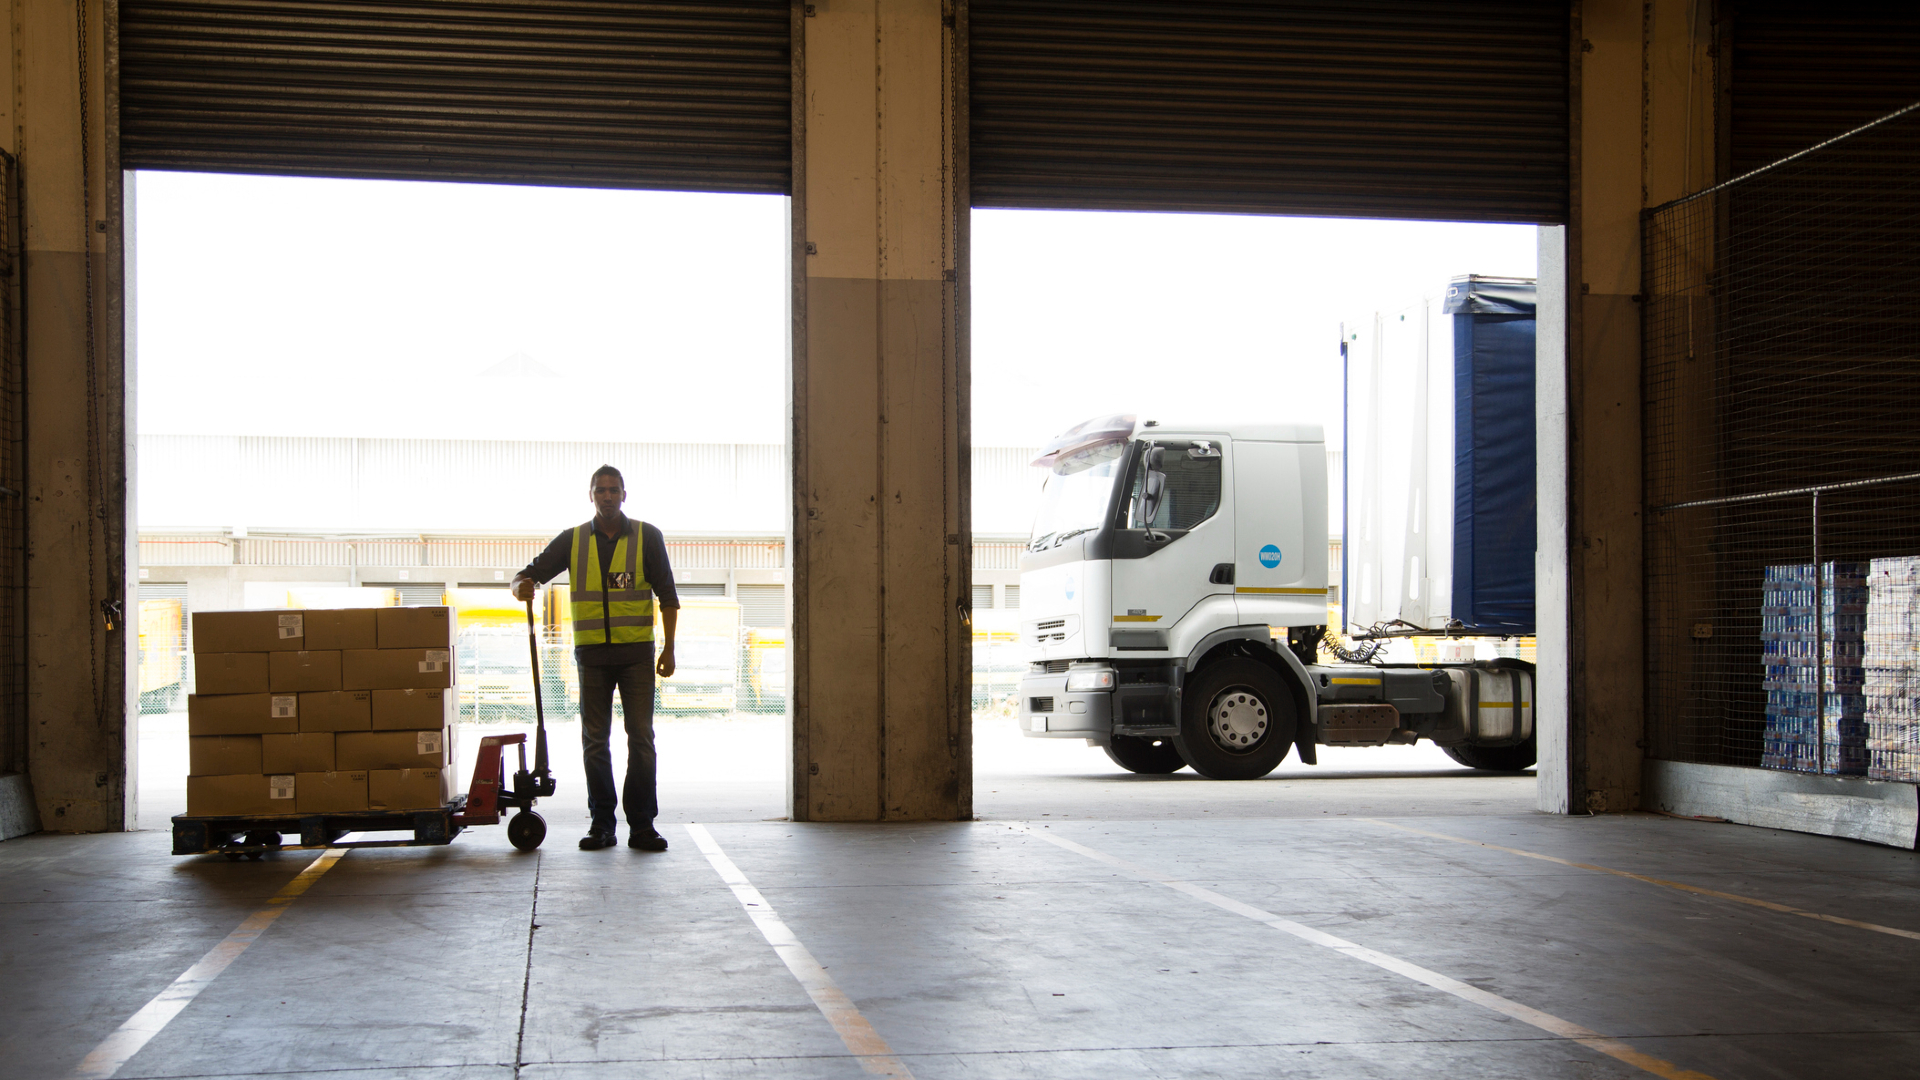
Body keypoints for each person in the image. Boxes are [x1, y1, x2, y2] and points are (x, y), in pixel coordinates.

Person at [511, 465, 678, 851]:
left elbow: (667, 595)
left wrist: (669, 648)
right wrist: (519, 585)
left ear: (624, 494)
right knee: (594, 741)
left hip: (637, 655)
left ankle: (642, 826)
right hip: (593, 657)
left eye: (613, 489)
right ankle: (602, 824)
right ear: (591, 495)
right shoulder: (572, 540)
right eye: (600, 490)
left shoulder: (647, 537)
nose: (607, 495)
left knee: (641, 739)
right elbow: (528, 574)